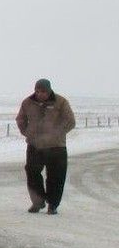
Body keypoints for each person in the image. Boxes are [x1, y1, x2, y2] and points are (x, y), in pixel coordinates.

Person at [15, 78, 75, 215]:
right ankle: (38, 201)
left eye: (43, 91)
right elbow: (20, 119)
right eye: (37, 91)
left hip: (56, 147)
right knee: (32, 172)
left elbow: (70, 121)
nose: (40, 94)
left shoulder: (61, 102)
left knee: (56, 176)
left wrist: (57, 133)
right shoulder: (27, 102)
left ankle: (53, 205)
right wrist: (27, 133)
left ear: (49, 91)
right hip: (35, 146)